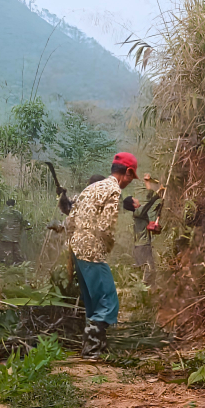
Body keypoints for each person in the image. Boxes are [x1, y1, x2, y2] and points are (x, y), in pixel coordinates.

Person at [65, 152, 138, 358]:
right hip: (92, 252)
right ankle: (92, 349)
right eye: (132, 177)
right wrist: (107, 247)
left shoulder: (91, 188)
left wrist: (73, 245)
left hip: (77, 249)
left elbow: (70, 221)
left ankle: (96, 346)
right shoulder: (113, 191)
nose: (130, 181)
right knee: (108, 301)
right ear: (127, 172)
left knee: (93, 302)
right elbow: (106, 227)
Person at [123, 175, 163, 286]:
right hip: (143, 247)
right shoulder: (138, 213)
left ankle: (145, 290)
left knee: (145, 271)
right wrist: (156, 195)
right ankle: (147, 290)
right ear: (134, 204)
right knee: (149, 270)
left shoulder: (138, 214)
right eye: (135, 199)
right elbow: (148, 204)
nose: (137, 199)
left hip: (140, 247)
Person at [0, 199, 30, 265]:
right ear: (14, 204)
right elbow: (22, 223)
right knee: (16, 250)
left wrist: (2, 232)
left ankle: (5, 262)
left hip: (5, 234)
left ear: (7, 204)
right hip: (15, 235)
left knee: (6, 250)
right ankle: (17, 262)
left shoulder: (3, 213)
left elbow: (1, 224)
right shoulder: (18, 213)